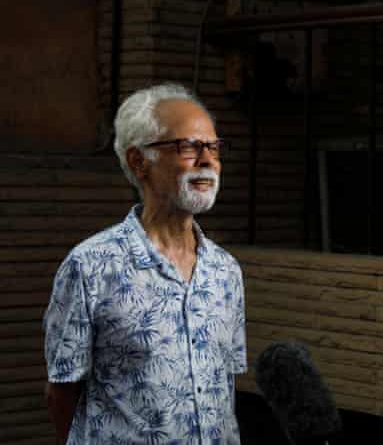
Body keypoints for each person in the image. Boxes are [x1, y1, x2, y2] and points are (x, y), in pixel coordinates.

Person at [43, 83, 247, 444]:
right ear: (140, 162)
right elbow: (62, 392)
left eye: (214, 147)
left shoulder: (226, 270)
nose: (207, 160)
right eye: (188, 146)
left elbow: (225, 387)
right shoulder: (91, 266)